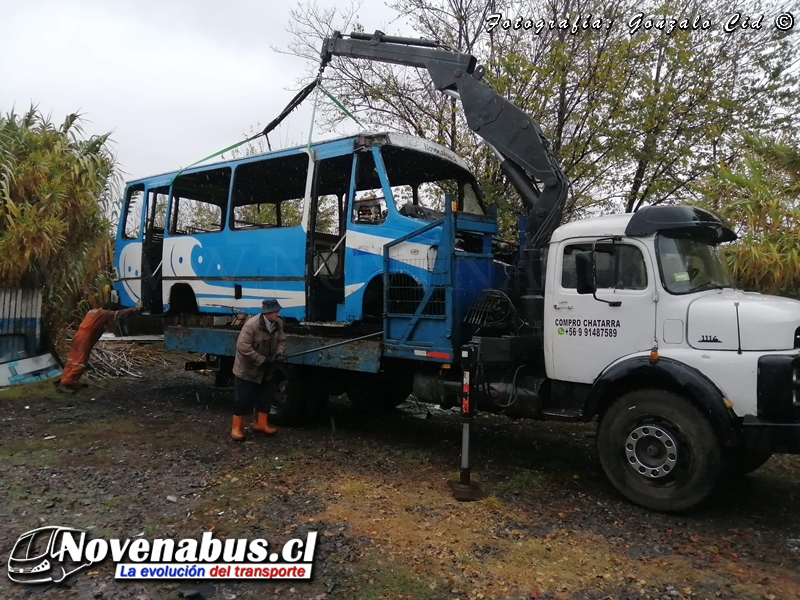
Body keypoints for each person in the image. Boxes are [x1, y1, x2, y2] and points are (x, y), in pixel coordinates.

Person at [230, 298, 287, 441]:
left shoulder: (278, 323)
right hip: (247, 369)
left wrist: (279, 354)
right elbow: (243, 347)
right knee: (242, 400)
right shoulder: (251, 326)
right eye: (275, 311)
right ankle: (236, 428)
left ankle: (261, 424)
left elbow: (281, 340)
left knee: (266, 397)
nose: (277, 314)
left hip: (266, 369)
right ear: (267, 312)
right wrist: (261, 360)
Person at [57, 302, 140, 393]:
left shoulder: (94, 311)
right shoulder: (103, 313)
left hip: (79, 336)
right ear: (108, 310)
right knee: (80, 361)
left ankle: (67, 380)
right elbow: (119, 314)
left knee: (73, 359)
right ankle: (66, 383)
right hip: (85, 338)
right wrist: (135, 309)